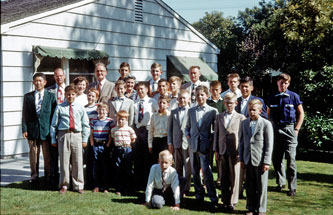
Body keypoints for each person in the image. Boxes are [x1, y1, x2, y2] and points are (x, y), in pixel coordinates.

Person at [267, 73, 304, 197]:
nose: (283, 85)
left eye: (286, 83)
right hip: (275, 129)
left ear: (289, 84)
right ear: (277, 83)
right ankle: (280, 183)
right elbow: (268, 114)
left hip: (289, 130)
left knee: (291, 160)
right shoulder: (272, 97)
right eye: (281, 82)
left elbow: (301, 114)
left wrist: (297, 129)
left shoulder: (294, 96)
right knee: (277, 159)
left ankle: (292, 187)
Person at [50, 85, 90, 194]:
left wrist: (85, 139)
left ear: (76, 95)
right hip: (64, 135)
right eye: (68, 94)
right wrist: (53, 138)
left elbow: (85, 124)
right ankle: (64, 184)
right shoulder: (60, 107)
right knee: (64, 161)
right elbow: (54, 124)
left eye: (73, 94)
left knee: (77, 161)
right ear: (65, 95)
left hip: (77, 135)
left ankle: (78, 185)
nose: (70, 96)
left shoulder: (80, 107)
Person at [185, 85, 218, 208]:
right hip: (193, 145)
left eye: (202, 95)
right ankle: (199, 196)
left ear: (207, 96)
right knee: (195, 172)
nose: (199, 97)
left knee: (206, 172)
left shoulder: (212, 111)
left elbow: (216, 129)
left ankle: (213, 197)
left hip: (205, 146)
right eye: (197, 95)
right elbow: (187, 127)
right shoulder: (191, 111)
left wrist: (211, 140)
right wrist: (188, 137)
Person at [239, 99, 274, 215]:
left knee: (261, 186)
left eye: (254, 110)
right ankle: (250, 207)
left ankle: (261, 209)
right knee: (249, 185)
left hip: (260, 160)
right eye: (250, 110)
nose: (251, 112)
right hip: (248, 158)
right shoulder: (244, 123)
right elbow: (241, 142)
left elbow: (269, 144)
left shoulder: (266, 124)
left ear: (260, 110)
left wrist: (267, 162)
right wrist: (242, 159)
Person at [213, 92, 246, 211]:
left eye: (231, 103)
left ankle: (233, 201)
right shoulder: (219, 116)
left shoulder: (241, 118)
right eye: (226, 103)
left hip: (235, 151)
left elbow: (243, 137)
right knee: (223, 177)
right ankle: (225, 200)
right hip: (222, 150)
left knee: (235, 177)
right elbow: (216, 134)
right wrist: (216, 149)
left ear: (236, 103)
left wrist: (240, 152)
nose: (228, 105)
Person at [22, 73, 56, 184]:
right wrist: (24, 129)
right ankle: (34, 176)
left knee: (47, 155)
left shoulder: (51, 96)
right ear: (33, 82)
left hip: (46, 130)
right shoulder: (28, 97)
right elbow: (25, 114)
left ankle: (48, 176)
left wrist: (53, 130)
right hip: (32, 130)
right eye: (36, 81)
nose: (38, 83)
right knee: (33, 155)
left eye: (40, 80)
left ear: (45, 82)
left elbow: (54, 115)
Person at [133, 82, 158, 189]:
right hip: (138, 130)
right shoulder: (135, 103)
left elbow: (157, 114)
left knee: (148, 157)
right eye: (138, 89)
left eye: (142, 89)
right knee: (138, 158)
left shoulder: (152, 102)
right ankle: (138, 183)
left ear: (147, 89)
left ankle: (148, 183)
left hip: (148, 131)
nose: (140, 91)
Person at [168, 89, 192, 196]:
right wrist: (170, 143)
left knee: (187, 167)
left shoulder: (192, 111)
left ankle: (187, 187)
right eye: (180, 98)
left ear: (189, 99)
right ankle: (178, 187)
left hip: (187, 143)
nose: (182, 100)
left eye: (184, 98)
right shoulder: (173, 112)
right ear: (177, 99)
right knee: (177, 166)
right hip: (176, 142)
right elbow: (170, 129)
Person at [47, 68, 66, 187]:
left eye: (60, 75)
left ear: (64, 76)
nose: (58, 78)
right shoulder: (49, 91)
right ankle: (53, 178)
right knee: (53, 154)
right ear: (54, 77)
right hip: (54, 125)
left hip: (65, 124)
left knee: (66, 154)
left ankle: (66, 178)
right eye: (56, 76)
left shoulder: (70, 89)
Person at [90, 103, 114, 193]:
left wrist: (108, 144)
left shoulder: (110, 121)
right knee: (96, 166)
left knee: (105, 166)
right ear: (97, 111)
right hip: (96, 144)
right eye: (99, 110)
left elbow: (111, 134)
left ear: (107, 111)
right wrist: (92, 144)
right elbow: (91, 133)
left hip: (105, 145)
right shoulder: (93, 120)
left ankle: (105, 186)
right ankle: (96, 185)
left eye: (103, 110)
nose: (101, 112)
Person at [111, 110, 137, 195]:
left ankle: (127, 188)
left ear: (126, 120)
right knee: (118, 168)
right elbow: (113, 138)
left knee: (127, 169)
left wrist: (127, 144)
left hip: (127, 149)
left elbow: (133, 139)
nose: (120, 121)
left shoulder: (129, 129)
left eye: (122, 119)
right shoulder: (114, 129)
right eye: (119, 119)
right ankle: (118, 188)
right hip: (118, 149)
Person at [207, 80, 226, 186]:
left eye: (217, 90)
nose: (215, 92)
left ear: (220, 90)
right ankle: (208, 180)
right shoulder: (207, 102)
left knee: (219, 157)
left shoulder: (223, 103)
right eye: (213, 90)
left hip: (220, 135)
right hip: (209, 134)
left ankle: (220, 178)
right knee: (208, 158)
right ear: (210, 90)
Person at [148, 95, 170, 164]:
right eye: (160, 102)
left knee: (165, 160)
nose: (161, 104)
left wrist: (170, 144)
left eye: (164, 103)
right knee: (156, 161)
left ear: (168, 105)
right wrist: (150, 144)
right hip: (156, 140)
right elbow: (151, 131)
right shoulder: (154, 116)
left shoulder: (169, 115)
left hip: (165, 140)